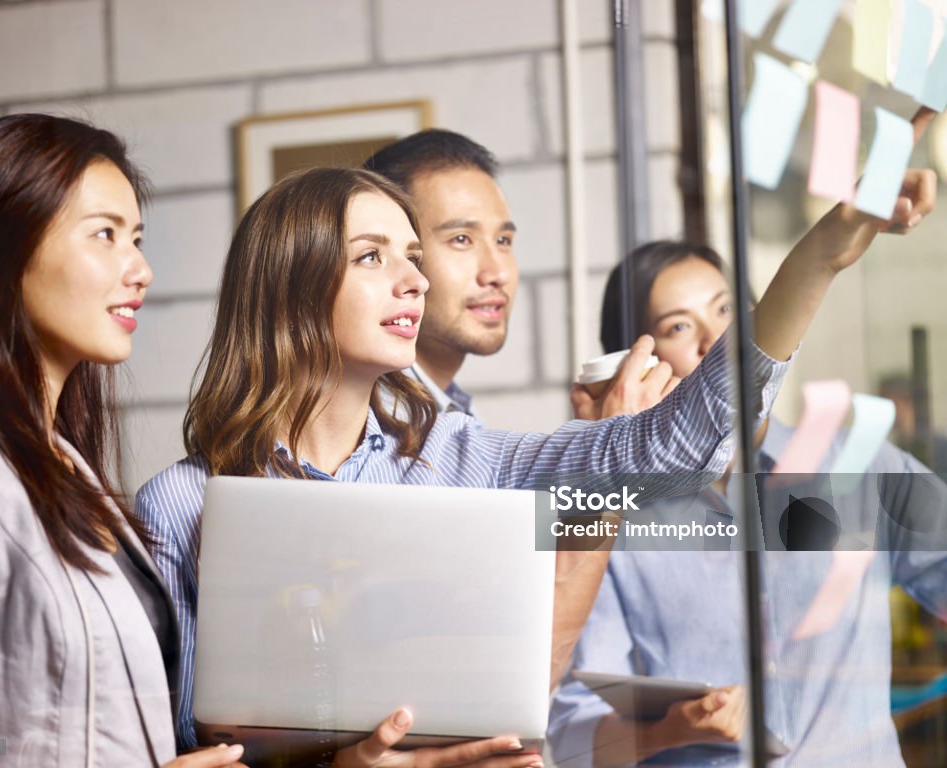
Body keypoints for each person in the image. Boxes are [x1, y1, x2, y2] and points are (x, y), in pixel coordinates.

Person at [134, 154, 913, 760]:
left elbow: (679, 449)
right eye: (373, 256)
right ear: (290, 284)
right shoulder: (179, 505)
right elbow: (177, 750)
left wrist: (818, 260)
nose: (413, 279)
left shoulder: (462, 458)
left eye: (413, 255)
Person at [548, 230, 947, 766]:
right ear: (636, 365)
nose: (717, 341)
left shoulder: (858, 467)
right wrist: (673, 728)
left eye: (729, 310)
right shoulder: (610, 524)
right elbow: (571, 740)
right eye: (679, 326)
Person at [0, 115, 246, 767]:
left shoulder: (65, 467)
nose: (142, 270)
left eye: (137, 239)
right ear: (2, 248)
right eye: (105, 235)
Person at [363, 129, 517, 418]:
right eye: (461, 239)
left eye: (503, 241)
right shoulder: (362, 425)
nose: (497, 274)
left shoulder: (452, 411)